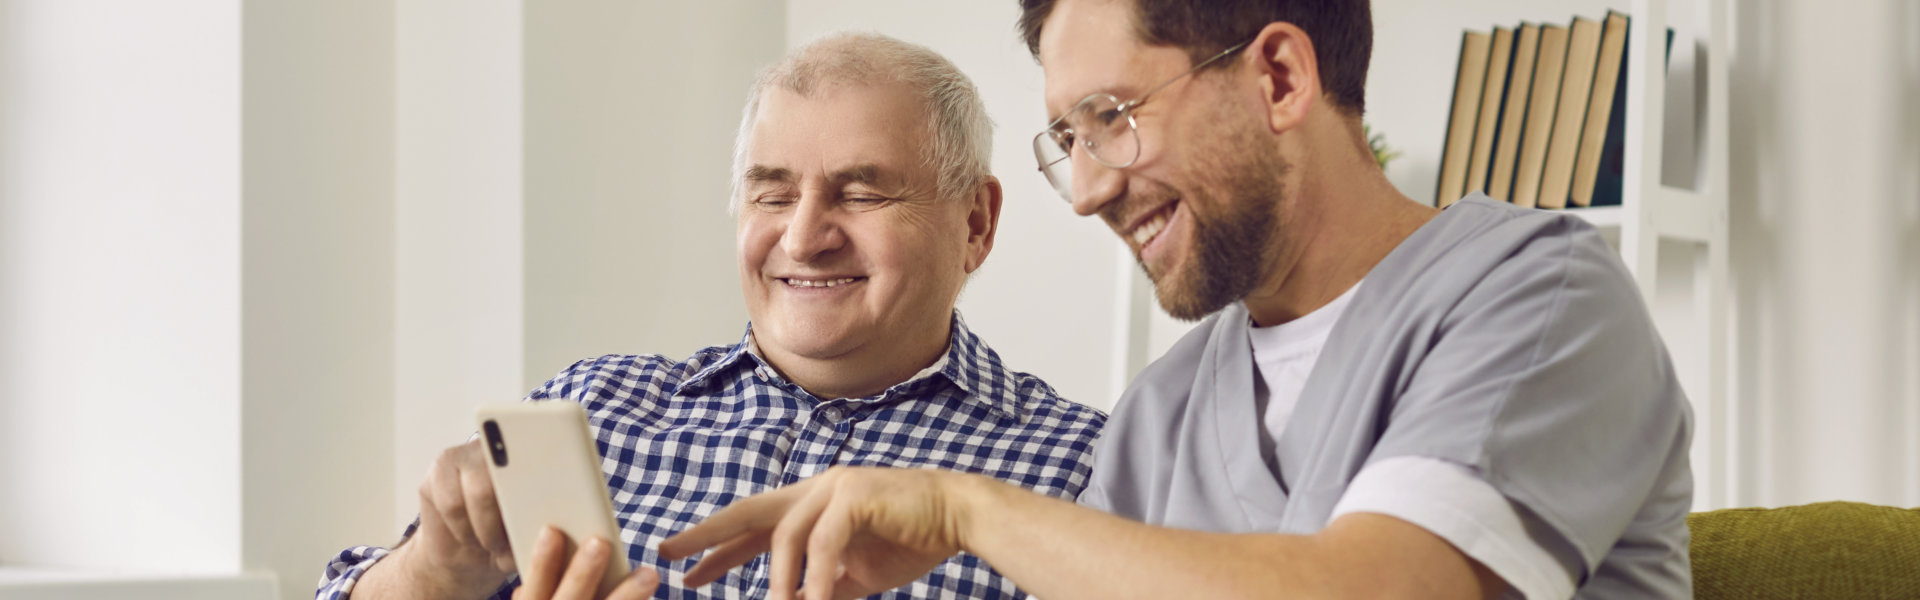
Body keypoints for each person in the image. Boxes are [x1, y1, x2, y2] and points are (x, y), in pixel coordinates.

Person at [660, 1, 1694, 599]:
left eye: (1111, 118)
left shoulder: (1540, 299)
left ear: (1280, 78)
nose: (1091, 189)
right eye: (1068, 141)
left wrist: (960, 504)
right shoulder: (1163, 414)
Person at [314, 32, 1106, 600]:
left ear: (975, 224)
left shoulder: (1091, 470)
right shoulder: (592, 409)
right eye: (772, 193)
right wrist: (436, 573)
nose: (804, 237)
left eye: (861, 192)